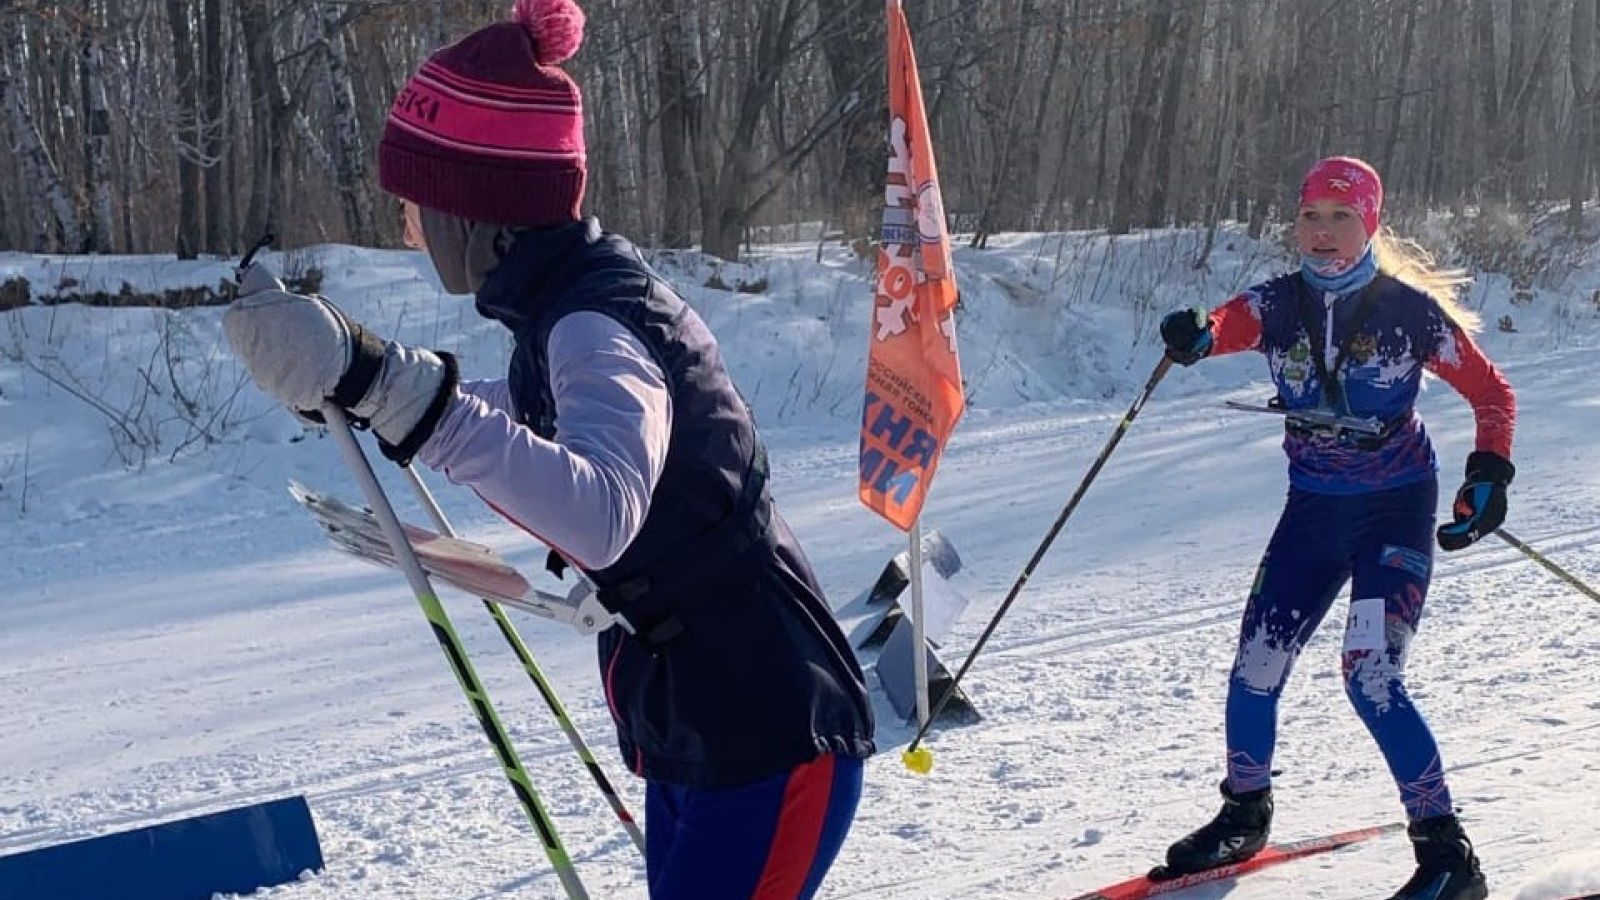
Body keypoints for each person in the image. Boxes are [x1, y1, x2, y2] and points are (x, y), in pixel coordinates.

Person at [221, 2, 874, 898]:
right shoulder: (566, 310)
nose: (410, 230)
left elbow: (601, 512)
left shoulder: (596, 322)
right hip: (702, 714)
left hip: (766, 723)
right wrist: (368, 381)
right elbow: (528, 420)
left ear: (479, 212)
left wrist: (405, 396)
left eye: (416, 207)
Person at [1154, 156, 1514, 900]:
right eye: (1310, 216)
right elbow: (1221, 325)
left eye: (1340, 217)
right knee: (1255, 668)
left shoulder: (1407, 312)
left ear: (1369, 224)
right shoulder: (1276, 303)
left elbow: (1491, 391)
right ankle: (1244, 812)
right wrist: (1194, 334)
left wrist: (1488, 476)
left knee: (1371, 678)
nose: (1322, 233)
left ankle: (1449, 857)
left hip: (1395, 509)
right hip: (1313, 509)